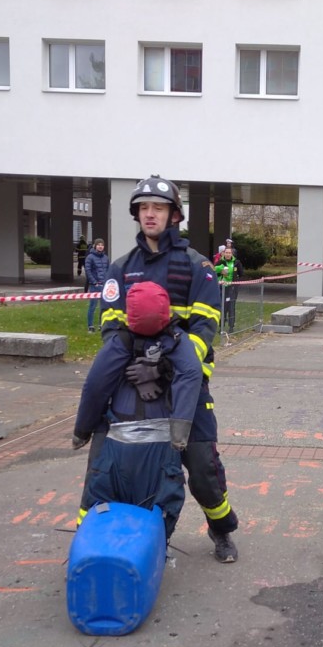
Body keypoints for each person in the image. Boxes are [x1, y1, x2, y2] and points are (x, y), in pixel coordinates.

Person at [92, 175, 240, 564]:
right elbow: (111, 331)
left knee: (202, 465)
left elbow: (205, 328)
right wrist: (136, 368)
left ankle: (221, 529)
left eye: (158, 207)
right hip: (132, 385)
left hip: (184, 386)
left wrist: (163, 367)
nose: (150, 214)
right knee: (110, 465)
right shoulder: (120, 269)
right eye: (143, 208)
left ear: (175, 215)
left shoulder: (198, 267)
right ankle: (107, 540)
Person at [73, 281, 201, 546]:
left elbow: (96, 386)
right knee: (160, 499)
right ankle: (151, 548)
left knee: (100, 496)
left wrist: (82, 430)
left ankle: (89, 544)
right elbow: (190, 375)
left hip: (116, 439)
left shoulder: (119, 342)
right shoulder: (178, 341)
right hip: (162, 443)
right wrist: (180, 430)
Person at [215, 244, 244, 335]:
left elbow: (241, 274)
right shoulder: (220, 262)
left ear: (232, 254)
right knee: (223, 307)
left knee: (231, 306)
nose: (227, 254)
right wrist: (220, 271)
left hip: (232, 288)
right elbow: (214, 272)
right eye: (226, 253)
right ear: (223, 253)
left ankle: (231, 327)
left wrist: (236, 282)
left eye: (229, 253)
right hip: (223, 288)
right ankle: (221, 326)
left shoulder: (236, 262)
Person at [84, 239, 110, 332]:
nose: (100, 246)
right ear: (95, 246)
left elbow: (108, 270)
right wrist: (94, 282)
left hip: (104, 285)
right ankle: (90, 326)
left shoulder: (106, 258)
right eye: (98, 245)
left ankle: (101, 324)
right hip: (94, 286)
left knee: (104, 306)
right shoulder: (90, 257)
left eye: (102, 245)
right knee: (92, 306)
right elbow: (88, 271)